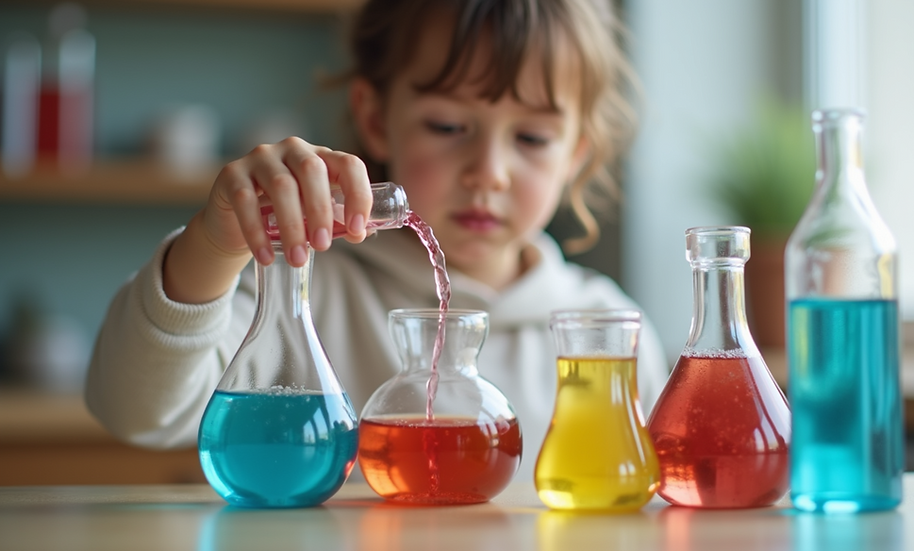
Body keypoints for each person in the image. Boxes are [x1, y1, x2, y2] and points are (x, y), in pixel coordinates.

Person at [85, 0, 668, 482]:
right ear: (374, 117)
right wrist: (215, 247)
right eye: (447, 126)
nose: (489, 171)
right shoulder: (309, 283)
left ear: (577, 154)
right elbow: (137, 412)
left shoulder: (609, 330)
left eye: (534, 137)